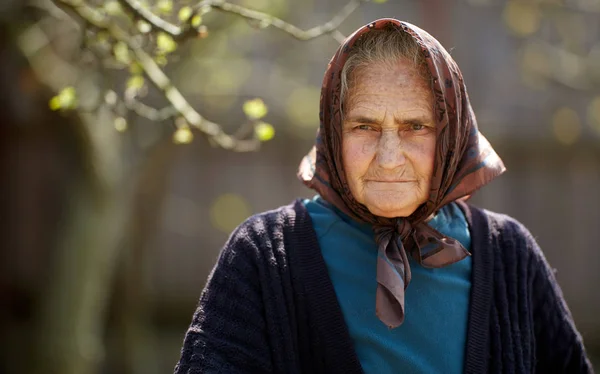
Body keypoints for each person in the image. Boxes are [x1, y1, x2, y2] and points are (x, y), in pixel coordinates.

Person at [174, 19, 593, 374]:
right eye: (364, 127)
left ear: (451, 136)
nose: (389, 160)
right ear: (334, 133)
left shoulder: (509, 257)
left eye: (416, 127)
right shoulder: (265, 257)